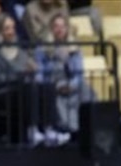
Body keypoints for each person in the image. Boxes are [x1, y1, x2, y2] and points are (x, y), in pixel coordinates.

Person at [0, 12, 56, 145]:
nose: (11, 32)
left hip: (21, 89)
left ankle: (48, 129)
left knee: (47, 86)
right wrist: (21, 74)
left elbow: (27, 70)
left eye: (13, 27)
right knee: (30, 88)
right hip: (0, 92)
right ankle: (32, 130)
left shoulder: (19, 50)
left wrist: (32, 70)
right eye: (7, 28)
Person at [36, 12, 89, 140]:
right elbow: (39, 74)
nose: (59, 29)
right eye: (56, 26)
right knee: (55, 99)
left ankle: (88, 126)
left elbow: (79, 73)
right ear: (51, 29)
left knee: (86, 89)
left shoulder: (75, 48)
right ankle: (64, 128)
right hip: (52, 85)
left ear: (66, 28)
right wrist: (53, 85)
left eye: (62, 26)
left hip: (71, 84)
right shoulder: (42, 49)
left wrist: (71, 84)